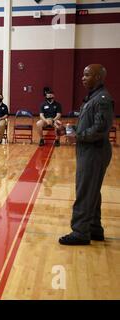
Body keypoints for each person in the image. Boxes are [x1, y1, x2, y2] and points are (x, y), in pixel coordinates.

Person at [59, 64, 114, 246]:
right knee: (92, 191)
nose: (83, 78)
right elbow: (86, 125)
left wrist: (78, 136)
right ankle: (94, 228)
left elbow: (100, 129)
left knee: (84, 190)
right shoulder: (92, 97)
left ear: (98, 77)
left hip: (95, 151)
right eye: (83, 74)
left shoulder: (102, 99)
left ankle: (80, 232)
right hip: (88, 149)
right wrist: (69, 130)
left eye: (87, 75)